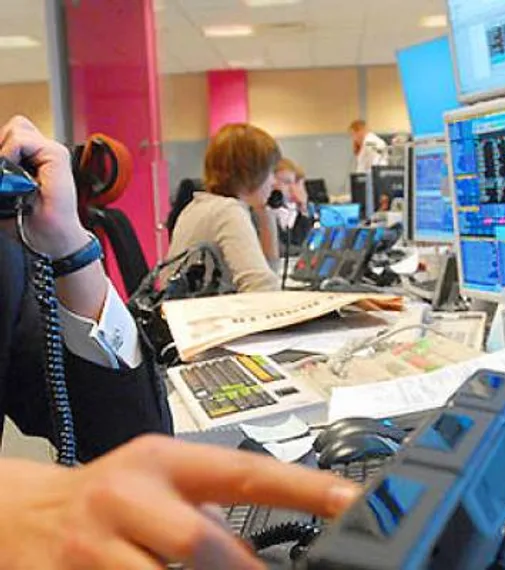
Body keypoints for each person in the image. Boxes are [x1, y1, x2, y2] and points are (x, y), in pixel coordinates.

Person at [0, 116, 360, 569]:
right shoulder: (227, 212)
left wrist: (70, 247)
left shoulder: (9, 266)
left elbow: (129, 440)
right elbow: (262, 285)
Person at [167, 123, 282, 292]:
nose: (274, 182)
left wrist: (266, 217)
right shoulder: (227, 211)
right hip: (215, 308)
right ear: (251, 172)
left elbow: (267, 274)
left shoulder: (195, 207)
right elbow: (263, 288)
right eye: (271, 172)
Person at [274, 157, 314, 247]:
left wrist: (303, 208)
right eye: (286, 182)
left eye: (295, 183)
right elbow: (284, 247)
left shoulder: (292, 209)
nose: (293, 189)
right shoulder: (262, 212)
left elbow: (298, 243)